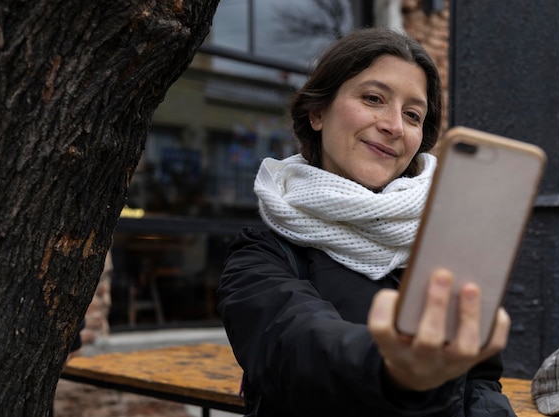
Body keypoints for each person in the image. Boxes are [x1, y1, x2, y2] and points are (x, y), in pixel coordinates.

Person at [218, 27, 515, 417]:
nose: (394, 125)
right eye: (373, 98)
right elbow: (295, 349)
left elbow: (479, 380)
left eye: (412, 115)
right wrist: (396, 370)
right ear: (318, 112)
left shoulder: (440, 242)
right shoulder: (263, 253)